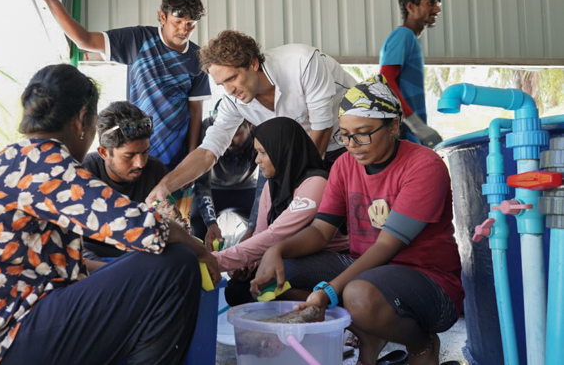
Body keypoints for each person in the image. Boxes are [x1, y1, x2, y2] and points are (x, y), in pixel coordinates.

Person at [0, 64, 219, 365]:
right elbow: (146, 227)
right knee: (175, 264)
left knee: (153, 265)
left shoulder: (12, 159)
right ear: (83, 120)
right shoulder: (46, 161)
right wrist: (200, 250)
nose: (139, 162)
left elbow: (62, 267)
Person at [250, 75, 463, 365]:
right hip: (367, 270)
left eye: (362, 133)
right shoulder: (344, 165)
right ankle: (368, 332)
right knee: (279, 273)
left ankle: (420, 344)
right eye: (345, 135)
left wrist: (327, 292)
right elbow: (321, 231)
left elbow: (387, 245)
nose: (352, 144)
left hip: (429, 283)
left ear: (393, 126)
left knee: (358, 295)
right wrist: (276, 250)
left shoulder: (424, 165)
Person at [146, 29, 357, 205]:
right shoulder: (233, 100)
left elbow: (322, 126)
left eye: (232, 78)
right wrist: (166, 185)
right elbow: (208, 152)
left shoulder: (302, 62)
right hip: (302, 153)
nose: (229, 90)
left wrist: (299, 190)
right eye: (222, 84)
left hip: (351, 144)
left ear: (253, 64)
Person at [30, 0, 211, 169]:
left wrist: (191, 158)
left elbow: (196, 112)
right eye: (178, 22)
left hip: (176, 158)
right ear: (162, 16)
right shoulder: (138, 40)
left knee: (170, 202)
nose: (184, 30)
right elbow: (84, 39)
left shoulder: (198, 58)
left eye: (190, 25)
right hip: (136, 152)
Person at [216, 117, 349, 306]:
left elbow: (275, 235)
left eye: (263, 152)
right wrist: (248, 265)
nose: (257, 160)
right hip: (286, 254)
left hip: (333, 260)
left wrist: (218, 260)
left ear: (284, 152)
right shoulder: (273, 186)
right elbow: (262, 232)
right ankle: (297, 300)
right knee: (237, 289)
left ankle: (338, 302)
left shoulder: (316, 183)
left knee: (280, 271)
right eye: (256, 152)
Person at [81, 101, 168, 260]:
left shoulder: (157, 171)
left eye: (145, 152)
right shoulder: (83, 172)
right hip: (93, 255)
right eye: (129, 156)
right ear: (104, 152)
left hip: (140, 253)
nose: (140, 163)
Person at [380, 0, 444, 148]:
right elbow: (385, 79)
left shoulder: (409, 39)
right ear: (410, 7)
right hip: (404, 131)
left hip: (408, 131)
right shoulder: (403, 35)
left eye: (438, 4)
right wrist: (417, 125)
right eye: (430, 3)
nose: (437, 9)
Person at [191, 105, 257, 247]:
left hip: (247, 188)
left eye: (235, 133)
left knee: (263, 228)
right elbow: (201, 183)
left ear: (249, 125)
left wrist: (252, 228)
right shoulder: (208, 127)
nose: (227, 139)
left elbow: (267, 184)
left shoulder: (260, 128)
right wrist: (211, 222)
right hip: (212, 189)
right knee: (197, 231)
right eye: (223, 133)